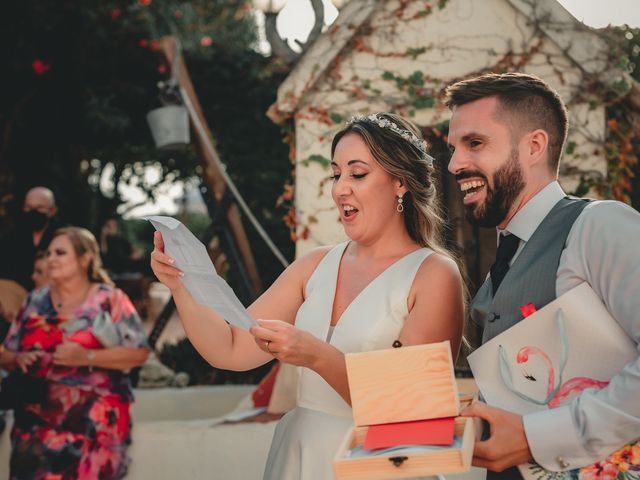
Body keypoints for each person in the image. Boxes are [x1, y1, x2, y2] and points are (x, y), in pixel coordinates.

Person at [151, 113, 465, 479]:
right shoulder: (314, 265)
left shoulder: (433, 274)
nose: (339, 189)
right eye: (336, 175)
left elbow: (409, 408)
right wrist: (181, 286)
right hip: (302, 458)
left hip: (381, 467)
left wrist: (316, 355)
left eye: (357, 174)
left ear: (400, 182)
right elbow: (231, 347)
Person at [445, 72, 640, 478]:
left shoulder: (600, 226)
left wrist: (537, 436)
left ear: (534, 146)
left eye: (475, 143)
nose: (454, 164)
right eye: (453, 148)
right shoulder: (505, 260)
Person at [0, 226, 150, 479]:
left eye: (60, 252)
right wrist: (19, 359)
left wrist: (86, 357)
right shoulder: (35, 301)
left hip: (94, 423)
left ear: (84, 258)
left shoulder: (109, 299)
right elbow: (6, 353)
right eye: (48, 254)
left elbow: (139, 353)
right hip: (37, 423)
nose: (51, 259)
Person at [0, 186, 61, 290]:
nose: (33, 212)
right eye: (29, 207)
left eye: (39, 208)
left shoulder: (61, 237)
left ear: (52, 211)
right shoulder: (12, 236)